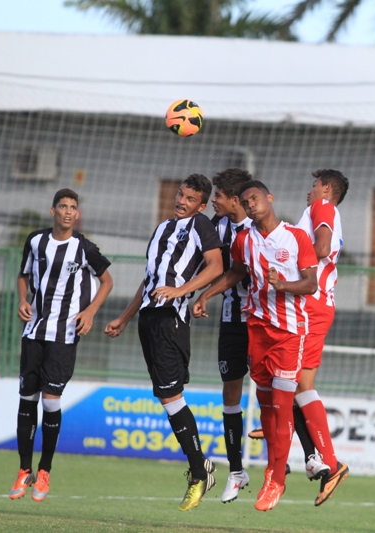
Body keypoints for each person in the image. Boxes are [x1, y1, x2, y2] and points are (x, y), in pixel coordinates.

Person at [192, 180, 317, 512]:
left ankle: (276, 479)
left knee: (281, 403)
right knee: (265, 405)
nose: (250, 205)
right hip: (257, 330)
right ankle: (274, 471)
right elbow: (235, 273)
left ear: (270, 198)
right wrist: (205, 294)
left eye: (255, 199)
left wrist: (284, 284)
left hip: (290, 331)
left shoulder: (297, 237)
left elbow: (311, 283)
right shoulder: (244, 240)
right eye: (246, 202)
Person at [104, 174, 223, 512]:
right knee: (165, 396)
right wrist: (125, 317)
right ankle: (201, 464)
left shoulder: (200, 225)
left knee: (172, 395)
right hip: (149, 318)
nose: (181, 201)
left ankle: (199, 473)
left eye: (190, 199)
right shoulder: (162, 229)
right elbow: (151, 278)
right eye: (181, 195)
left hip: (172, 318)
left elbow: (216, 266)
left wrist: (181, 291)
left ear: (201, 205)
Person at [9, 188, 113, 502]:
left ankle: (44, 472)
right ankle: (23, 470)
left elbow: (107, 280)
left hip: (64, 335)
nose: (68, 212)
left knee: (50, 400)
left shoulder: (84, 247)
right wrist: (22, 300)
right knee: (27, 397)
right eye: (63, 206)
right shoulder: (36, 241)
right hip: (34, 332)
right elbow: (23, 275)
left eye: (73, 207)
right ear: (53, 210)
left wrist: (91, 312)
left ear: (76, 214)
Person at [292, 169, 350, 505]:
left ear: (326, 188)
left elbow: (323, 247)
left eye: (313, 184)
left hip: (312, 305)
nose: (310, 190)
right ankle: (282, 428)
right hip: (311, 305)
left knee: (301, 383)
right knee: (294, 380)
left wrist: (289, 258)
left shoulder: (323, 207)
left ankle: (329, 461)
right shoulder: (320, 211)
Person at [208, 168, 253, 503]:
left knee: (280, 388)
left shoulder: (260, 227)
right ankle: (236, 471)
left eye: (218, 195)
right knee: (230, 393)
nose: (214, 201)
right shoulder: (216, 226)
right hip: (231, 318)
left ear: (234, 199)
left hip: (264, 320)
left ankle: (289, 462)